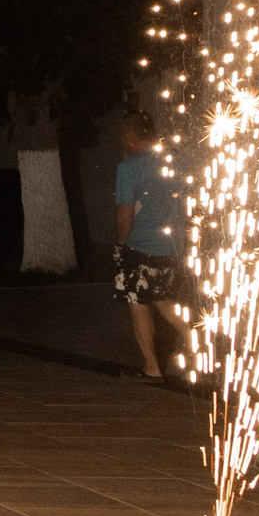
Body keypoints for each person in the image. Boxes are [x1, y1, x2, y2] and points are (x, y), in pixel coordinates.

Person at [113, 108, 190, 380]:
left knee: (138, 302)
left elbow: (125, 211)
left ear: (132, 137)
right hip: (172, 242)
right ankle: (197, 342)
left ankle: (151, 366)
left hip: (140, 244)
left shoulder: (129, 167)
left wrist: (121, 243)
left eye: (124, 136)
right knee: (163, 298)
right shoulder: (174, 161)